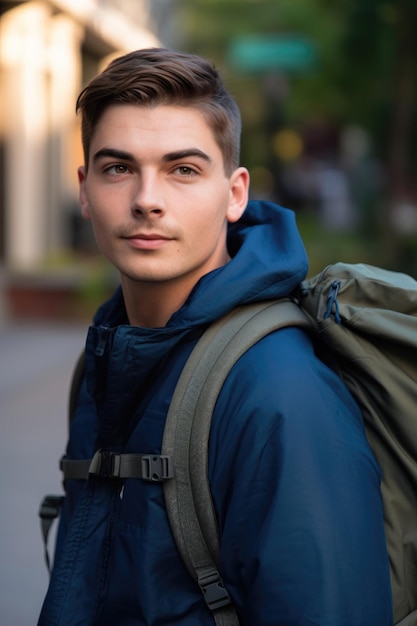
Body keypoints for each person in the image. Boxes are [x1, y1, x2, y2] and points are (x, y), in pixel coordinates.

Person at [38, 48, 393, 626]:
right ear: (84, 188)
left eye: (183, 169)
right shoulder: (108, 355)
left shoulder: (280, 392)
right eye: (118, 168)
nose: (147, 199)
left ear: (234, 194)